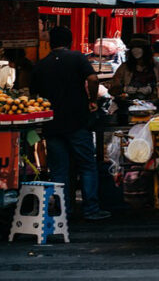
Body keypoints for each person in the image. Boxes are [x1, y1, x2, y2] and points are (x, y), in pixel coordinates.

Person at [30, 26, 110, 220]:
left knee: (59, 170)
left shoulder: (41, 64)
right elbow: (92, 78)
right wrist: (92, 99)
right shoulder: (77, 58)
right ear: (70, 41)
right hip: (77, 120)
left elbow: (33, 94)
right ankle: (91, 209)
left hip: (52, 123)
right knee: (87, 165)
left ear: (50, 43)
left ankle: (62, 211)